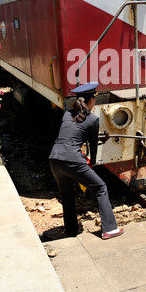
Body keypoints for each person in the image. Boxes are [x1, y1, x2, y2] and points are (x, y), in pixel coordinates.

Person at [49, 82, 123, 240]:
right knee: (101, 187)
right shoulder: (93, 119)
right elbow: (93, 146)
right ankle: (110, 229)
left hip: (54, 158)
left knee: (67, 194)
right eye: (94, 99)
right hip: (72, 160)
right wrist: (93, 162)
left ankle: (71, 232)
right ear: (91, 100)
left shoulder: (67, 114)